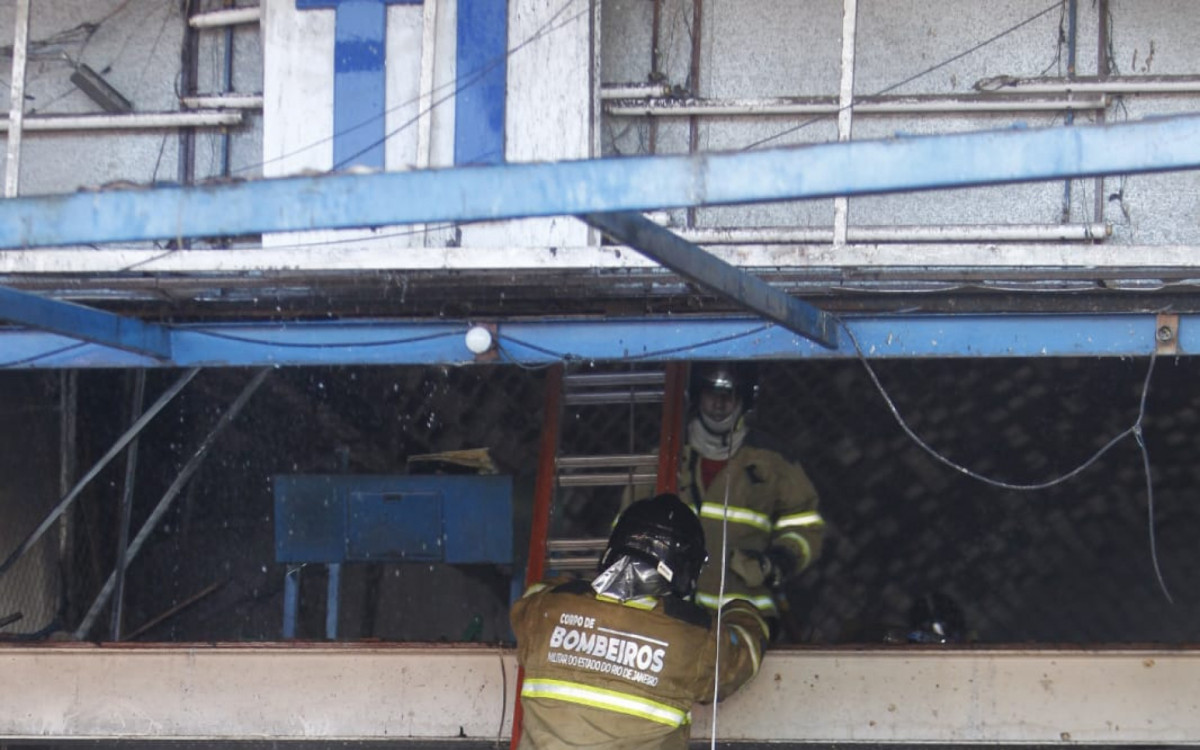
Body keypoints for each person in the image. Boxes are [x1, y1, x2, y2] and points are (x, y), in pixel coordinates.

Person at [511, 493, 768, 749]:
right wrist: (742, 608)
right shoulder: (692, 638)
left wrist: (578, 595)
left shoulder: (546, 610)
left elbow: (535, 595)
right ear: (685, 567)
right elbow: (744, 654)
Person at [677, 361, 825, 636]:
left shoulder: (773, 463)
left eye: (728, 396)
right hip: (675, 613)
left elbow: (805, 524)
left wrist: (778, 561)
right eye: (712, 395)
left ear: (743, 400)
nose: (719, 405)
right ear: (698, 396)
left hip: (746, 614)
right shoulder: (667, 459)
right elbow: (627, 523)